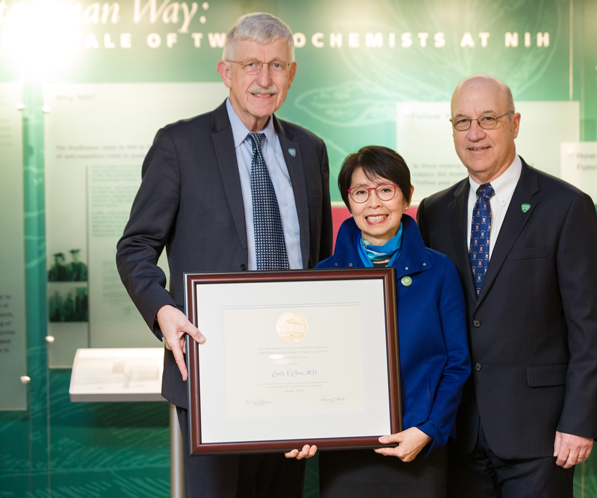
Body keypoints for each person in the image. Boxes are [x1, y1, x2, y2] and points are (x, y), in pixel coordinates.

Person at [115, 12, 332, 498]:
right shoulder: (179, 145)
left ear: (292, 75)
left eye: (277, 66)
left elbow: (319, 264)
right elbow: (135, 247)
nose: (264, 78)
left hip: (293, 373)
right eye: (251, 64)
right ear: (225, 71)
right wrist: (163, 309)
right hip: (212, 370)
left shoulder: (310, 150)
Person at [417, 75, 597, 497]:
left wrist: (578, 421)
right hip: (459, 432)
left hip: (541, 435)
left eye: (488, 118)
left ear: (515, 123)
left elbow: (590, 326)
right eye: (462, 121)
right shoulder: (434, 212)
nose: (475, 133)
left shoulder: (565, 207)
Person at [289, 146, 471, 497]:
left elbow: (457, 364)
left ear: (407, 197)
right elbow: (308, 363)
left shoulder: (440, 271)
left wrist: (430, 430)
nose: (374, 204)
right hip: (345, 449)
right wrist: (301, 425)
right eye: (360, 193)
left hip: (418, 445)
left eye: (385, 190)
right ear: (348, 202)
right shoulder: (322, 276)